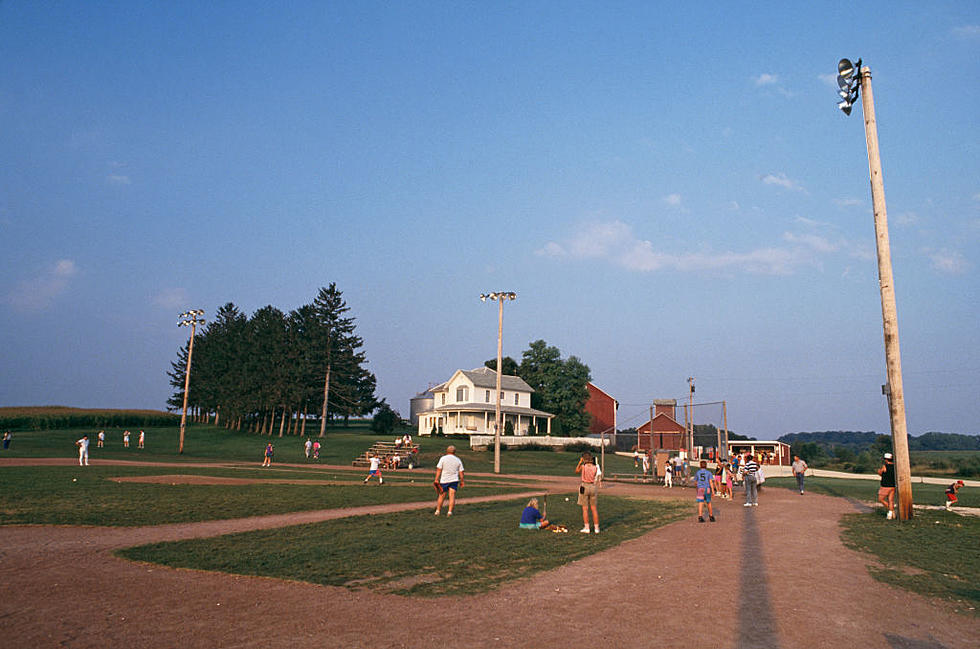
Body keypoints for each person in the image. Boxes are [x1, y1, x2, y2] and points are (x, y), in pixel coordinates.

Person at [575, 451, 601, 533]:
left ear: (583, 459)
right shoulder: (595, 467)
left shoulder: (583, 466)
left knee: (585, 509)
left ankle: (587, 527)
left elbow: (576, 471)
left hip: (584, 486)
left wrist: (579, 462)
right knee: (594, 508)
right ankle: (597, 528)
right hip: (593, 486)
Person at [434, 445, 464, 515]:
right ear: (455, 452)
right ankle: (449, 512)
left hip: (444, 480)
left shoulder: (443, 458)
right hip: (454, 480)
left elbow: (439, 469)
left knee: (441, 496)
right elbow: (461, 472)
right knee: (452, 496)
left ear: (447, 451)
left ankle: (438, 511)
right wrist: (462, 480)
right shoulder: (458, 460)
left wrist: (436, 479)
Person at [877, 452, 896, 519]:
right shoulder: (895, 467)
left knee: (881, 499)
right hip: (893, 486)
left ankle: (891, 511)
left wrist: (879, 471)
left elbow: (880, 473)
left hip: (885, 486)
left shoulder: (885, 466)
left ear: (886, 459)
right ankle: (891, 514)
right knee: (891, 500)